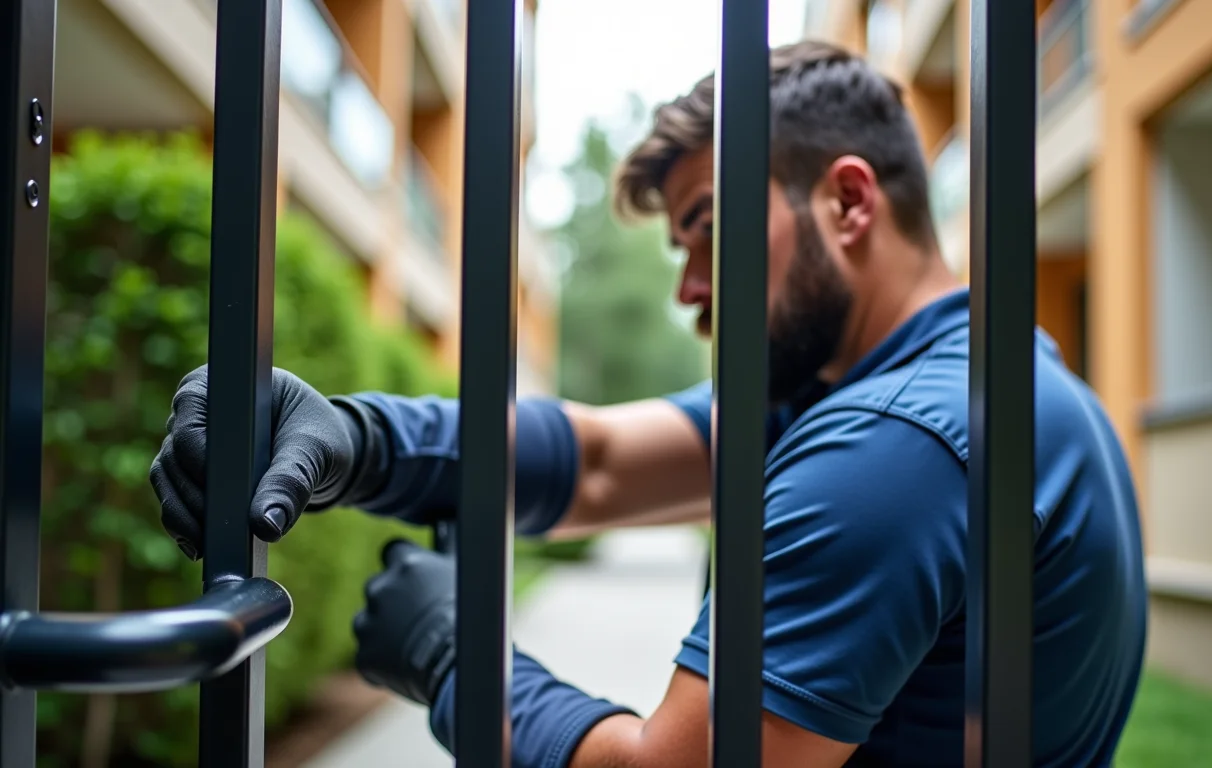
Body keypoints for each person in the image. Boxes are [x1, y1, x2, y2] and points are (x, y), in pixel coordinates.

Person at [149, 40, 1148, 768]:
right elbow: (596, 459)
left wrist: (456, 659)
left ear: (847, 204)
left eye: (708, 229)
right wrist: (357, 438)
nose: (688, 288)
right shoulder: (956, 383)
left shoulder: (894, 448)